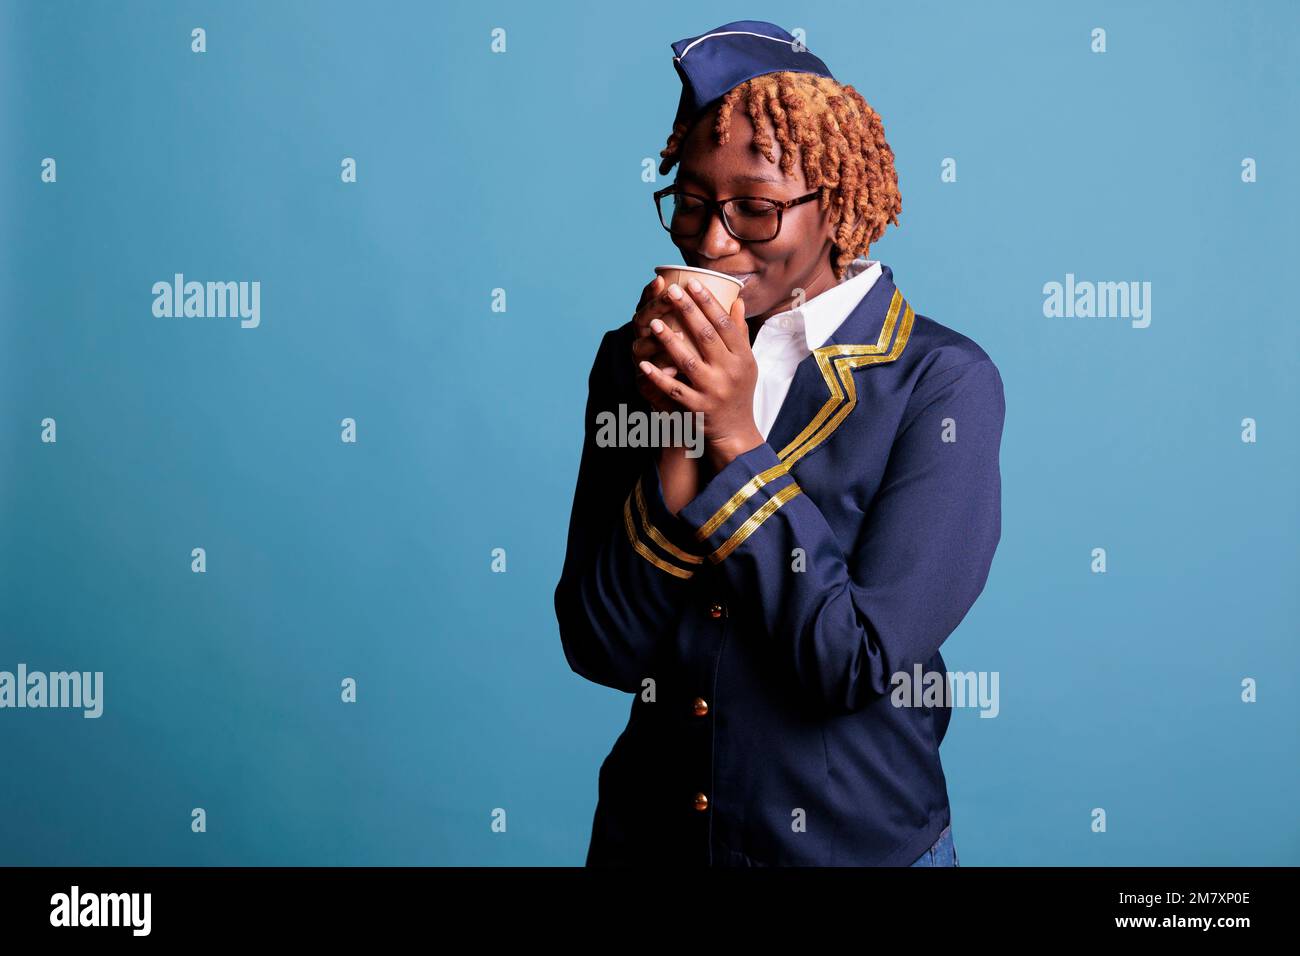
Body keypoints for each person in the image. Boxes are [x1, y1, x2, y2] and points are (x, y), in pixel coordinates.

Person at [553, 19, 1003, 866]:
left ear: (836, 202)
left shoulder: (941, 383)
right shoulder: (632, 359)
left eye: (754, 210)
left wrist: (733, 434)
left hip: (854, 848)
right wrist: (679, 438)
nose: (712, 241)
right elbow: (599, 644)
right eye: (689, 203)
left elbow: (853, 666)